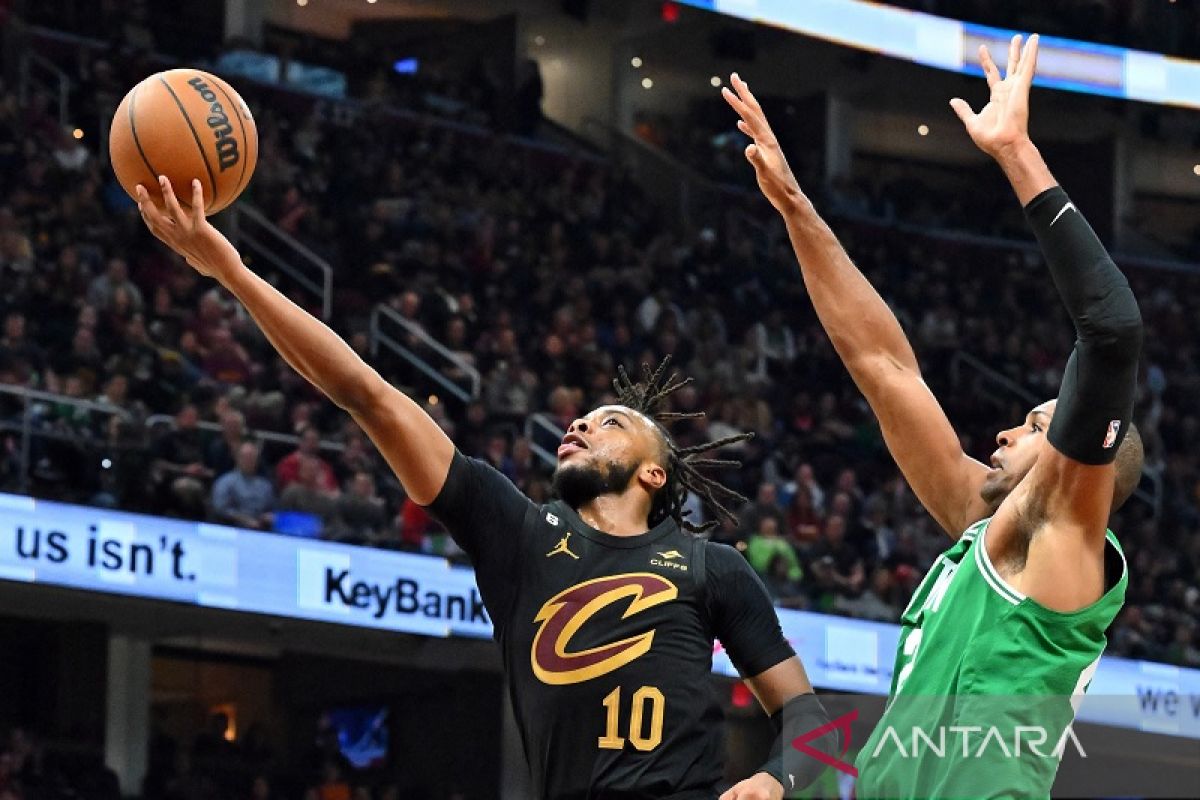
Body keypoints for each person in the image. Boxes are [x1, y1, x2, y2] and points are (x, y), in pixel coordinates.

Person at [135, 175, 839, 800]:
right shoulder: (521, 534)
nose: (580, 424)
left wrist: (774, 780)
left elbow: (818, 733)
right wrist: (231, 271)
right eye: (580, 418)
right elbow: (367, 395)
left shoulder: (711, 568)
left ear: (654, 473)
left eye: (611, 422)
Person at [726, 34, 1143, 799]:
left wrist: (1017, 153)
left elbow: (1112, 329)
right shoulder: (984, 531)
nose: (1006, 434)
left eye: (1035, 425)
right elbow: (882, 367)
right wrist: (795, 205)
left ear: (1081, 463)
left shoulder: (1065, 540)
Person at [211, 441, 275, 530]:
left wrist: (269, 516)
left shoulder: (265, 485)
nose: (249, 461)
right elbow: (220, 508)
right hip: (233, 528)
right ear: (237, 458)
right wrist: (243, 519)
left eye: (252, 458)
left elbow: (272, 509)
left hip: (261, 529)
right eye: (246, 457)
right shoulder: (225, 482)